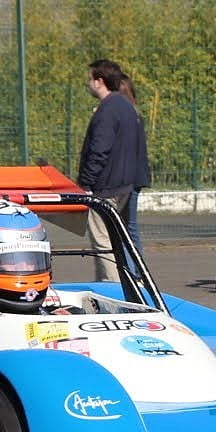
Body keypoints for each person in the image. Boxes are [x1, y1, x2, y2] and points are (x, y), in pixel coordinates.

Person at [76, 59, 151, 272]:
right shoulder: (127, 108)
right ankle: (128, 278)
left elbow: (99, 151)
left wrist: (86, 184)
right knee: (119, 236)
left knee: (103, 243)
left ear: (99, 81)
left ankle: (113, 286)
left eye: (90, 78)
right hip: (124, 184)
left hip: (106, 186)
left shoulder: (107, 111)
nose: (88, 83)